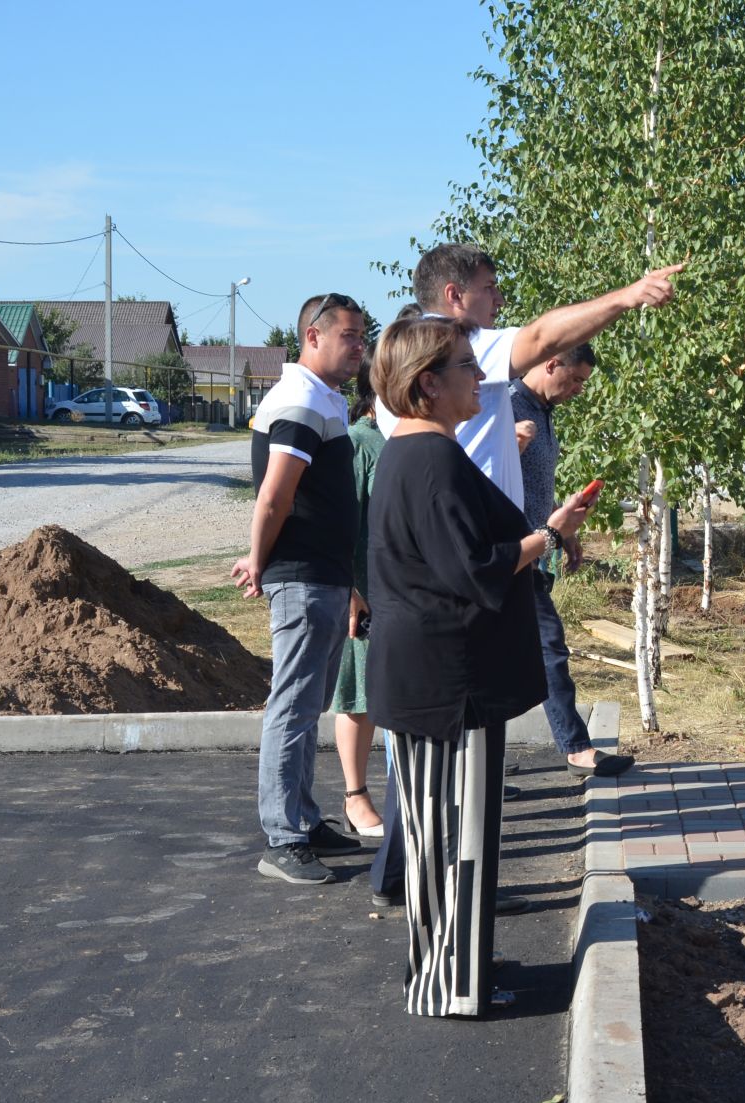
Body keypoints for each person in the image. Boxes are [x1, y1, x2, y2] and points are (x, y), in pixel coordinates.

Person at [366, 244, 681, 907]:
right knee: (446, 779)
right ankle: (438, 912)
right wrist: (627, 295)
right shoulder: (445, 374)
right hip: (454, 612)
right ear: (454, 297)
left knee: (441, 780)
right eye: (488, 289)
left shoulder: (423, 403)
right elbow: (542, 337)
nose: (498, 303)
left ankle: (415, 881)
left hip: (453, 597)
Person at [365, 315, 593, 1016]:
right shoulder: (427, 458)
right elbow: (473, 568)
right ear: (426, 384)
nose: (482, 377)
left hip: (447, 680)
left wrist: (544, 531)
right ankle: (448, 986)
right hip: (444, 686)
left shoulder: (429, 449)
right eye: (467, 365)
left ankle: (454, 970)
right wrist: (549, 535)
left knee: (452, 835)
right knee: (445, 839)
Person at [232, 293, 368, 885]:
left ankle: (305, 822)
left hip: (326, 576)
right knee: (291, 707)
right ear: (313, 336)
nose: (360, 348)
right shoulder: (298, 399)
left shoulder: (320, 397)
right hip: (303, 578)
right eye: (350, 336)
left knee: (307, 705)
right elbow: (275, 495)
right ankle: (283, 839)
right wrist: (260, 562)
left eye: (363, 337)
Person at [512, 344, 634, 778]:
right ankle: (576, 748)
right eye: (576, 379)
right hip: (506, 556)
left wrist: (567, 531)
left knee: (540, 651)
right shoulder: (508, 404)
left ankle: (482, 769)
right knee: (548, 648)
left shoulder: (542, 412)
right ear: (550, 364)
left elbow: (534, 484)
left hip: (535, 550)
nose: (580, 390)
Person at [330, 360, 387, 837]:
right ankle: (355, 795)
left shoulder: (405, 436)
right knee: (360, 694)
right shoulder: (360, 441)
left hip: (402, 591)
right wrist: (350, 591)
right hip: (366, 593)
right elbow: (344, 523)